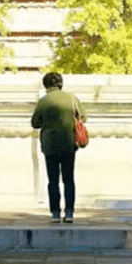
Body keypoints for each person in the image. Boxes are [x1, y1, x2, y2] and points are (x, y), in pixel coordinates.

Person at [30, 72, 84, 223]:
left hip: (50, 146)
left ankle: (55, 212)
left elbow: (35, 123)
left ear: (46, 85)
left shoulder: (43, 101)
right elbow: (83, 117)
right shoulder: (72, 99)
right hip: (69, 144)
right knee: (68, 179)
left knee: (53, 180)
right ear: (61, 84)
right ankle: (69, 212)